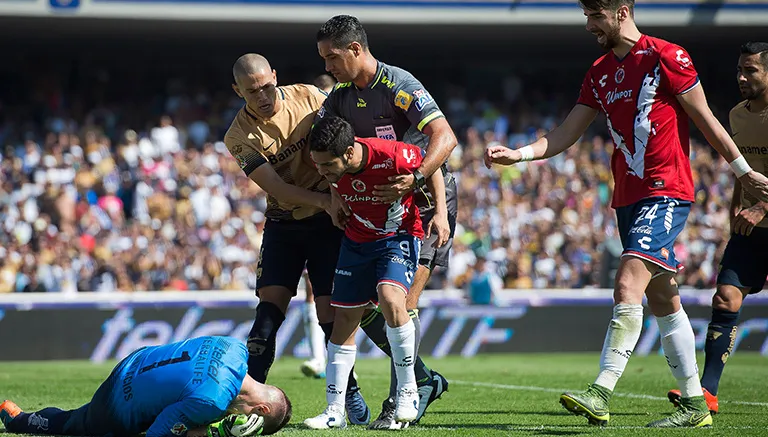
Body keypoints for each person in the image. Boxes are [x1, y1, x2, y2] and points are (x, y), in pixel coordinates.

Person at [484, 0, 768, 429]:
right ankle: (695, 403)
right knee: (662, 298)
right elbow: (565, 133)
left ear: (622, 10)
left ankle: (601, 390)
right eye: (586, 16)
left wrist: (744, 173)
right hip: (628, 198)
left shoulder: (666, 57)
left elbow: (706, 119)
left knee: (627, 280)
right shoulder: (598, 72)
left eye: (595, 16)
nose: (589, 26)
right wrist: (520, 155)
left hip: (667, 191)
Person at [315, 14, 456, 429]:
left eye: (332, 57)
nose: (328, 67)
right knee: (372, 307)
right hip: (374, 209)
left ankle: (402, 400)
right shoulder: (339, 97)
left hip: (425, 198)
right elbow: (323, 147)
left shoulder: (399, 86)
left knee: (402, 302)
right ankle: (423, 382)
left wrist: (421, 190)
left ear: (355, 49)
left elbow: (444, 138)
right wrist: (334, 195)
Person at [224, 54, 371, 424]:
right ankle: (252, 399)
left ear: (276, 75)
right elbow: (274, 186)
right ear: (237, 91)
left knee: (328, 314)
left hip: (327, 224)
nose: (262, 96)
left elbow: (343, 139)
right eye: (252, 91)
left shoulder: (310, 96)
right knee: (267, 316)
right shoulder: (238, 136)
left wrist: (340, 193)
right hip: (285, 222)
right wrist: (325, 198)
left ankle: (347, 392)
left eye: (267, 86)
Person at [303, 116, 449, 429]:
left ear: (348, 153)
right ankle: (334, 412)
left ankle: (408, 388)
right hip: (355, 242)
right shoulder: (331, 165)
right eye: (317, 164)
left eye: (327, 165)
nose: (321, 171)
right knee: (342, 320)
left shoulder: (393, 154)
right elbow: (333, 181)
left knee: (391, 299)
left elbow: (432, 165)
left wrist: (440, 212)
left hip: (397, 237)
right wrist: (335, 196)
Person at [666, 41, 768, 415]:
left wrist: (762, 206)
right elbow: (744, 173)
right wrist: (736, 215)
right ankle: (707, 391)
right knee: (725, 297)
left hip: (762, 215)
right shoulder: (737, 116)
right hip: (750, 230)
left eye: (751, 71)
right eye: (740, 70)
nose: (741, 77)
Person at [0, 336, 291, 436]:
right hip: (118, 403)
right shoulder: (212, 402)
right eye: (255, 424)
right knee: (77, 423)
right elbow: (157, 434)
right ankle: (18, 419)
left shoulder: (235, 347)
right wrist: (212, 434)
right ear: (260, 409)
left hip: (136, 359)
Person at [298, 73, 338, 381]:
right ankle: (319, 356)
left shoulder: (345, 118)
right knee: (314, 290)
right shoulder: (307, 127)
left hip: (344, 207)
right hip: (317, 211)